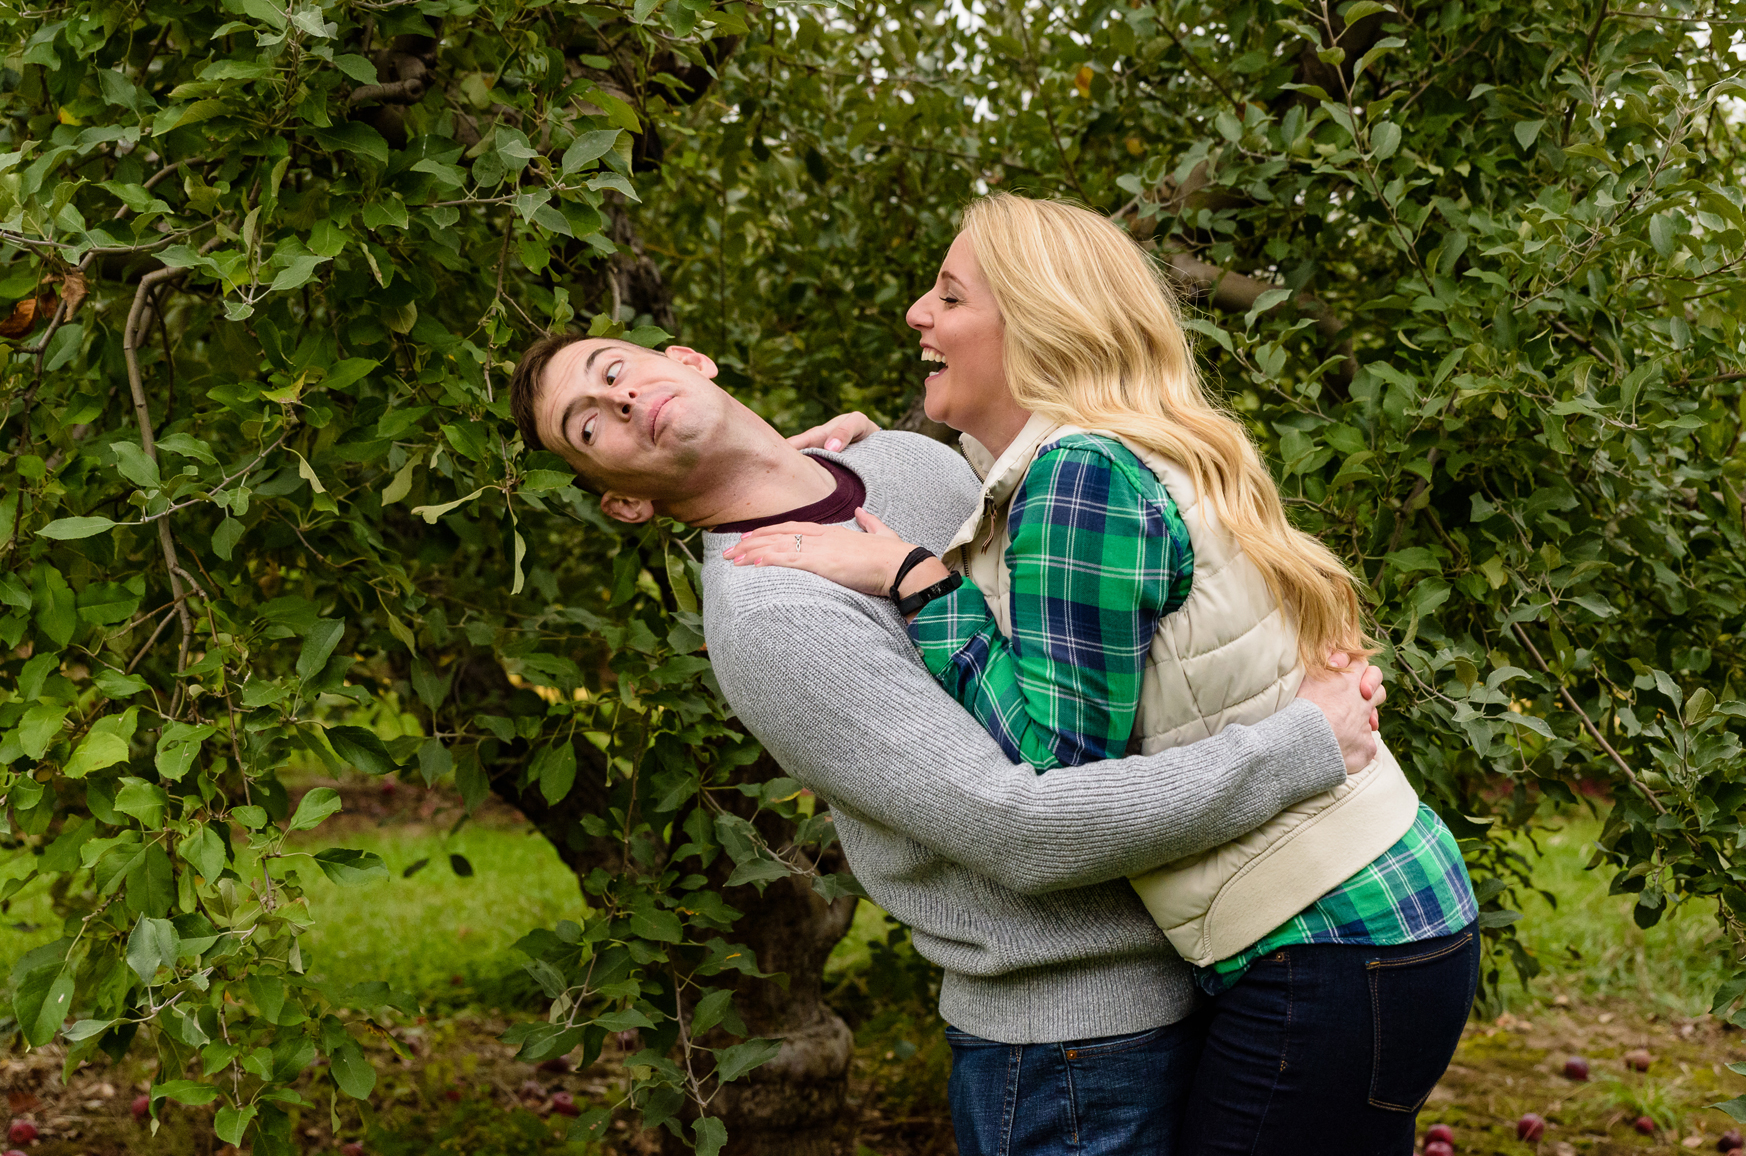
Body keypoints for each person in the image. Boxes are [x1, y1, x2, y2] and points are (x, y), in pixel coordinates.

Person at [507, 328, 1389, 1156]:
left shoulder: (901, 458)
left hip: (1214, 956)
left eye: (615, 370)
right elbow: (1019, 828)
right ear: (624, 501)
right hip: (1073, 1048)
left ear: (691, 360)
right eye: (588, 423)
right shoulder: (774, 618)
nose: (618, 402)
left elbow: (1085, 623)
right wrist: (1300, 743)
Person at [723, 194, 1480, 1155]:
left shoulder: (1078, 482)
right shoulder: (1128, 442)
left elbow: (1061, 767)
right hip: (1379, 913)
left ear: (1036, 322)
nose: (917, 312)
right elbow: (1030, 564)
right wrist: (878, 459)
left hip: (1326, 942)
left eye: (949, 295)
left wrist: (912, 577)